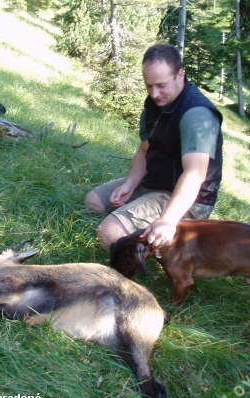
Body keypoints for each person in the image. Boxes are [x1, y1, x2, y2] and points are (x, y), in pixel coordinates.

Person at [85, 43, 223, 251]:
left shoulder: (196, 114)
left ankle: (169, 241)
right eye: (149, 86)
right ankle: (139, 227)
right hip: (154, 183)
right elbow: (144, 150)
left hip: (186, 200)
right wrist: (130, 184)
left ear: (180, 75)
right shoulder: (154, 104)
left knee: (107, 234)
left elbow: (195, 175)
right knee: (93, 202)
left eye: (161, 85)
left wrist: (168, 220)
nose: (155, 93)